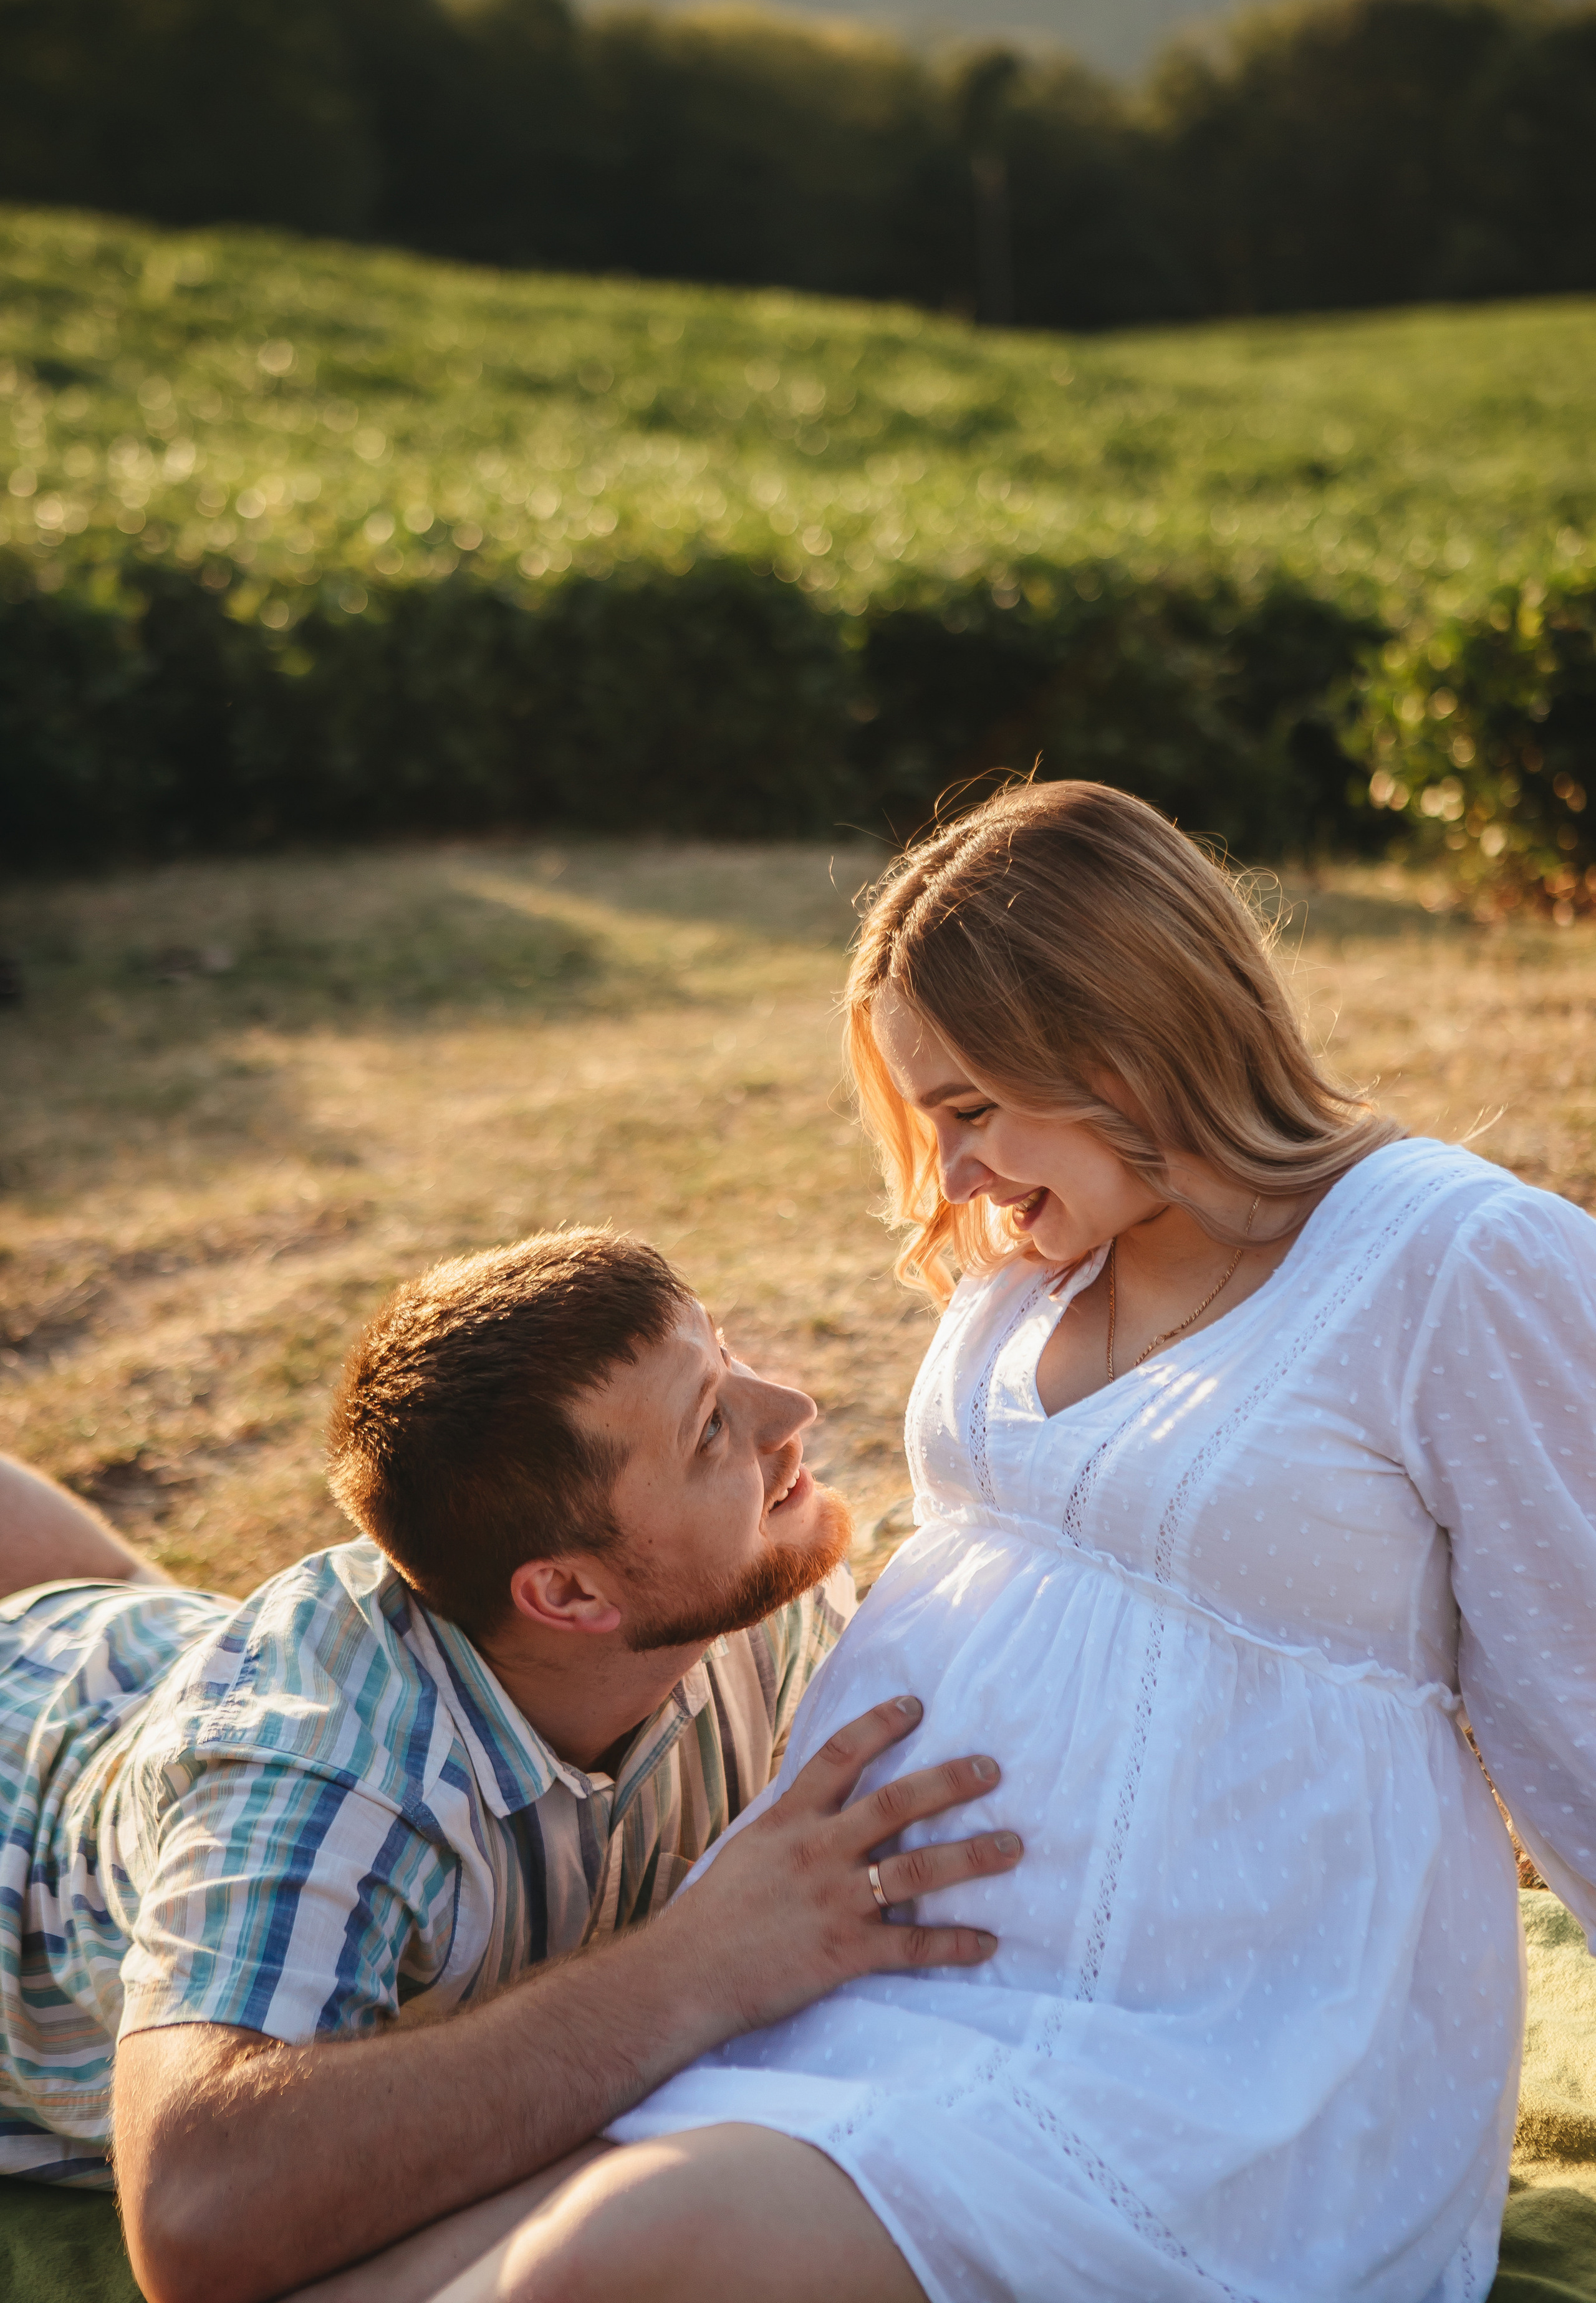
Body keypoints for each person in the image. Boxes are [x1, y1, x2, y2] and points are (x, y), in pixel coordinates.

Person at [400, 781, 1596, 2303]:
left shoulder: (1448, 1256)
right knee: (424, 2265)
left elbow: (1582, 1689)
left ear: (1122, 1039)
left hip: (1208, 2061)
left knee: (619, 2255)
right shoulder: (1037, 1263)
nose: (950, 1173)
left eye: (968, 1108)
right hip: (874, 1993)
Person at [0, 1229, 1022, 2303]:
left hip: (136, 1647)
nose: (792, 1410)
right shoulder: (326, 1775)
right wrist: (694, 1968)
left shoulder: (756, 1585)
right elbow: (194, 2216)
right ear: (571, 1595)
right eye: (711, 1426)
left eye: (725, 1360)